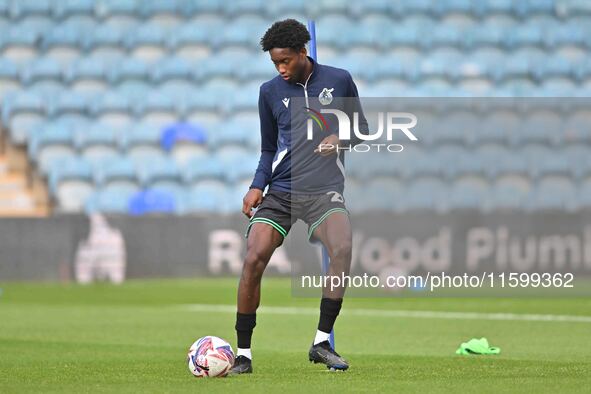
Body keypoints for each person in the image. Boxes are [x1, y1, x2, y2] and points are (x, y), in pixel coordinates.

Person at [230, 19, 367, 374]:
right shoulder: (269, 91)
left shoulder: (339, 80)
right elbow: (267, 149)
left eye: (286, 61)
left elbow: (362, 130)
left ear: (303, 52)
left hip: (324, 190)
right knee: (254, 257)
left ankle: (321, 342)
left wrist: (341, 139)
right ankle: (243, 354)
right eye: (275, 63)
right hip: (283, 190)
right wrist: (257, 185)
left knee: (343, 247)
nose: (281, 69)